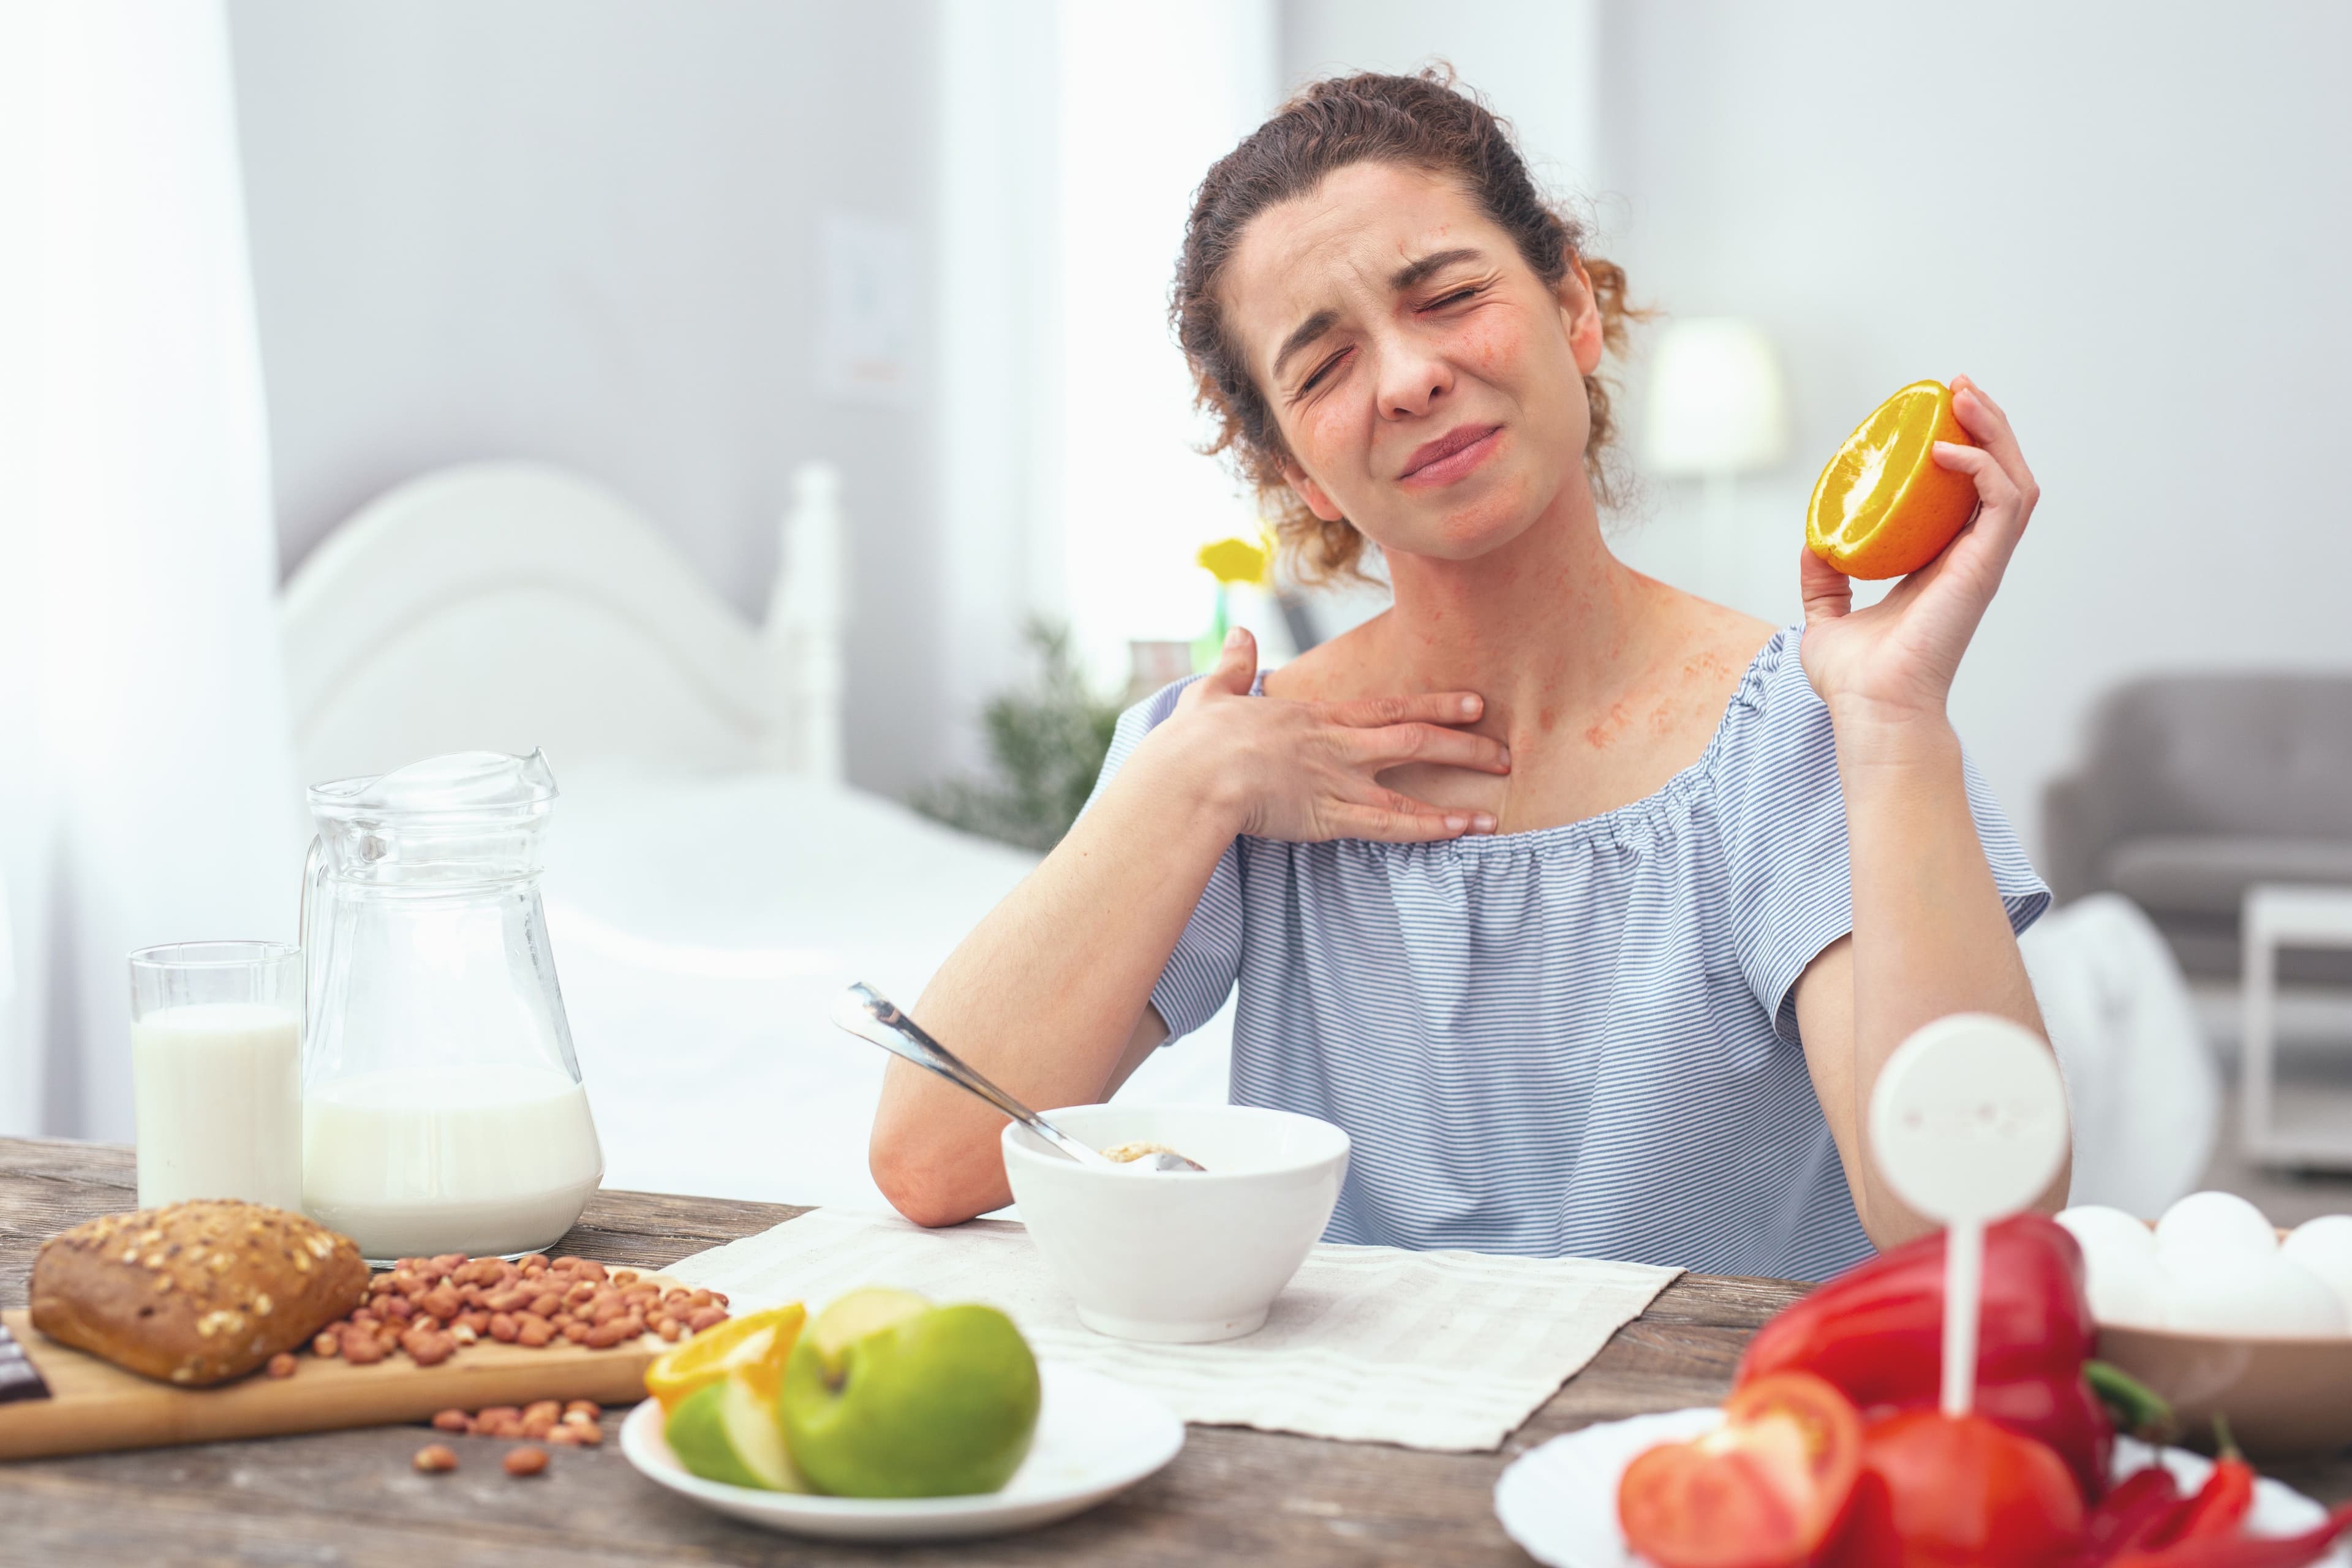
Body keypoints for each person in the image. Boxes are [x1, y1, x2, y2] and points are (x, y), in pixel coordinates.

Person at [870, 70, 2058, 1280]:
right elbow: (931, 1156)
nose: (1405, 377)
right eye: (1323, 369)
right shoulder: (1226, 762)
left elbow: (1968, 1221)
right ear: (1296, 476)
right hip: (1353, 1452)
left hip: (1720, 1449)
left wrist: (1898, 721)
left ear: (1573, 306)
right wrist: (1185, 787)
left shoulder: (1807, 733)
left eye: (1446, 296)